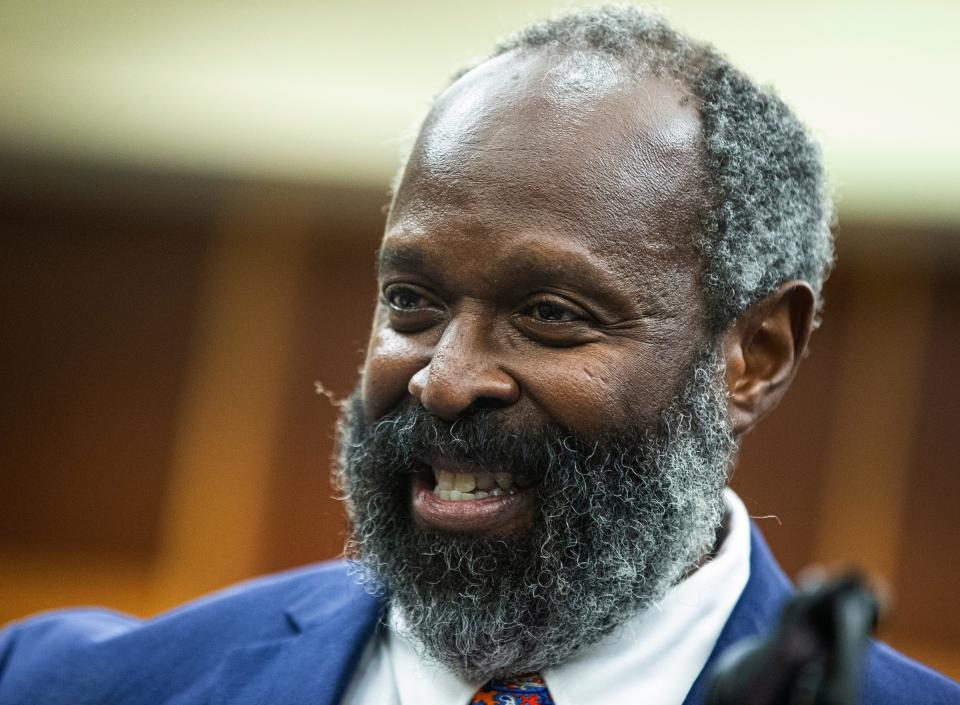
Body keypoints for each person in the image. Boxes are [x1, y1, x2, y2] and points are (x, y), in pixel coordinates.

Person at [0, 6, 957, 705]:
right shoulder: (72, 687)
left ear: (752, 354)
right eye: (410, 302)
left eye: (548, 312)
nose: (446, 380)